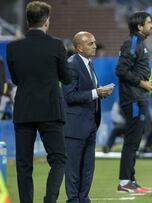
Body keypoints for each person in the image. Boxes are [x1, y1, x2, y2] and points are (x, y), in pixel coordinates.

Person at [6, 1, 72, 202]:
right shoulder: (56, 45)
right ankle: (49, 199)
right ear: (46, 21)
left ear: (28, 21)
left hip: (24, 110)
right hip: (50, 110)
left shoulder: (13, 48)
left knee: (24, 165)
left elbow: (16, 79)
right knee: (59, 159)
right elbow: (66, 78)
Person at [62, 31, 113, 203]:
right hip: (75, 126)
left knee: (88, 168)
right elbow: (69, 95)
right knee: (73, 168)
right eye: (90, 43)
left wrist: (100, 93)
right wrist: (95, 93)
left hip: (90, 124)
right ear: (78, 48)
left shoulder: (88, 64)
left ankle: (83, 199)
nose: (94, 45)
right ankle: (73, 200)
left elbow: (87, 92)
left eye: (94, 42)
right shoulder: (71, 65)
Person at [116, 11, 152, 193]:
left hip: (138, 96)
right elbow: (121, 70)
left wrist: (145, 82)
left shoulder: (139, 44)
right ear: (139, 26)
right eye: (148, 22)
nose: (151, 25)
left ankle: (130, 179)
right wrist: (141, 83)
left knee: (136, 138)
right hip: (132, 98)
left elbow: (132, 70)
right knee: (132, 139)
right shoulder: (131, 43)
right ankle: (124, 181)